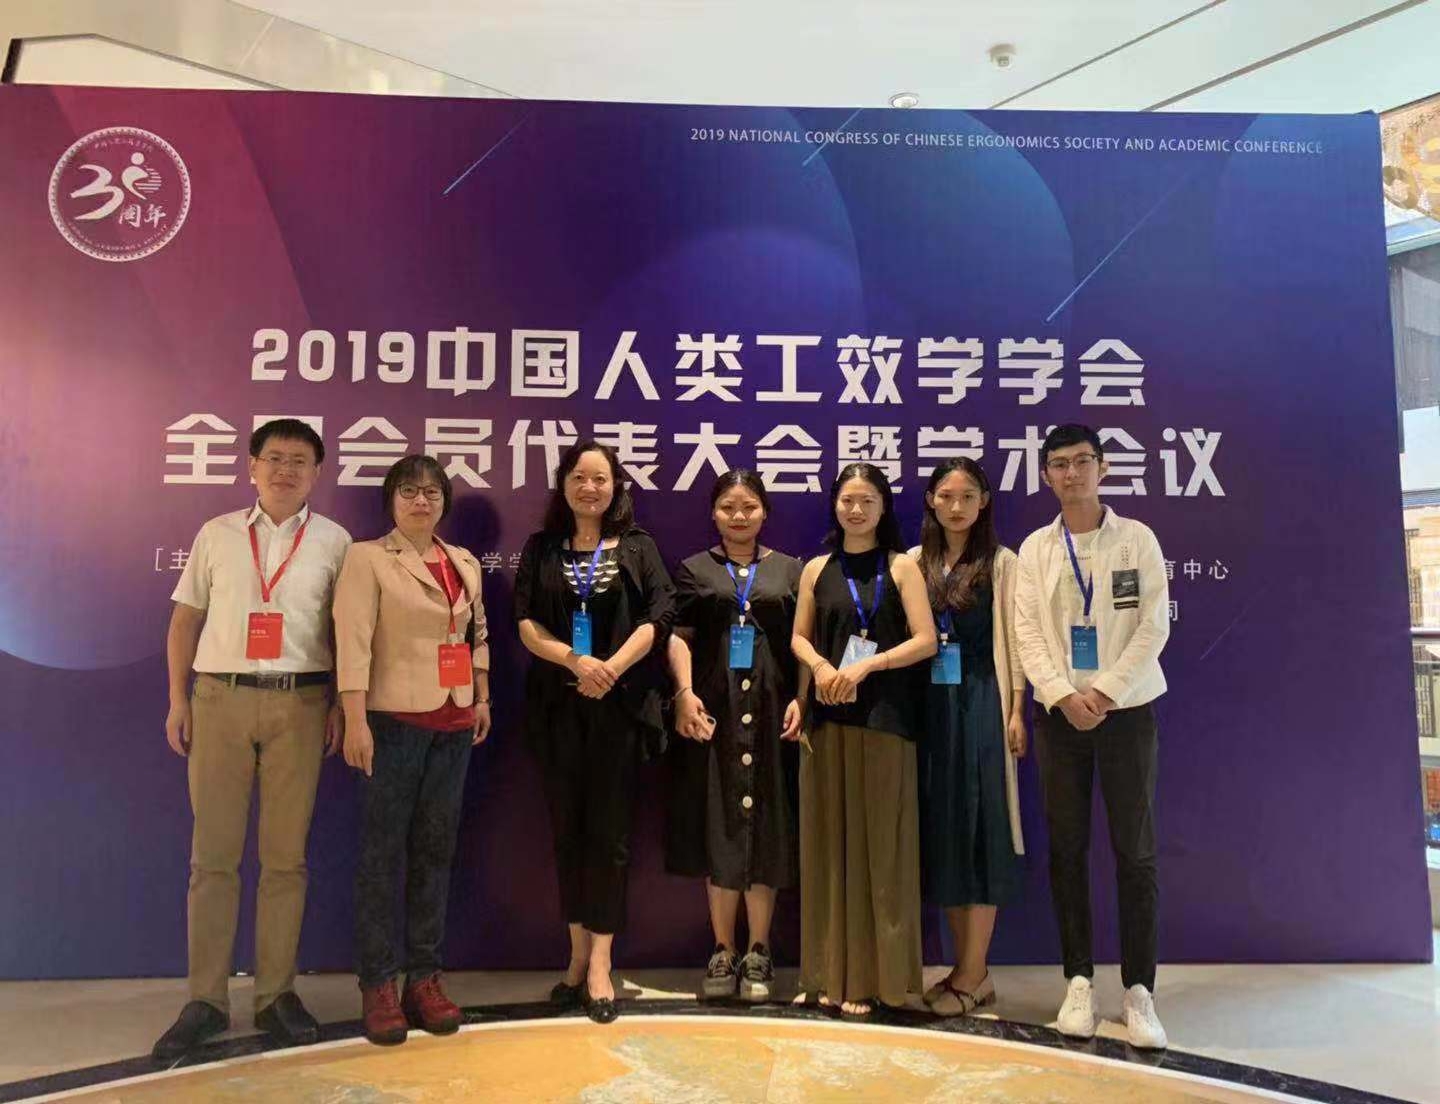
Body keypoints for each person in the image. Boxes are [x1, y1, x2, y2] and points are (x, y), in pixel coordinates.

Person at [154, 419, 351, 1059]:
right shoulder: (216, 534)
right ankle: (205, 1000)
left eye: (299, 461)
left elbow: (347, 632)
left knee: (285, 860)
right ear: (252, 467)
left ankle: (275, 995)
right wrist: (178, 699)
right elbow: (185, 620)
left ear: (317, 473)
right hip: (220, 700)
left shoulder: (336, 542)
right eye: (274, 458)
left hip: (301, 704)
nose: (285, 470)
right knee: (211, 859)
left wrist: (340, 705)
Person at [1014, 424, 1171, 1050]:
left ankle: (1139, 990)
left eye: (1082, 461)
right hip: (1059, 718)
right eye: (1059, 463)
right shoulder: (1035, 549)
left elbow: (1153, 627)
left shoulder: (1137, 539)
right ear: (1046, 475)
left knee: (1136, 852)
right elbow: (1027, 633)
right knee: (1067, 850)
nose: (1072, 473)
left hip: (1127, 713)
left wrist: (1103, 693)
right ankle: (1078, 979)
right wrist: (1062, 696)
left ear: (1103, 468)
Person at [514, 441, 674, 1025]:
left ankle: (603, 962)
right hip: (558, 707)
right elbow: (525, 620)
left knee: (609, 836)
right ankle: (577, 957)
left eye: (600, 478)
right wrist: (574, 661)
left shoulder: (637, 546)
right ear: (564, 485)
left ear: (616, 487)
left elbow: (660, 616)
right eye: (579, 477)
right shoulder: (542, 548)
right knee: (567, 833)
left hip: (618, 709)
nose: (590, 488)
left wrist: (610, 668)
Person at [333, 455, 492, 1046]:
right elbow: (352, 642)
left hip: (454, 722)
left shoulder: (463, 561)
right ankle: (378, 983)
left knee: (434, 852)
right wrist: (355, 720)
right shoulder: (368, 558)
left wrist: (482, 696)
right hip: (392, 722)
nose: (421, 501)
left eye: (431, 492)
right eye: (409, 491)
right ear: (391, 500)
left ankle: (424, 978)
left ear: (444, 501)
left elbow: (476, 633)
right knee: (381, 857)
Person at [790, 463, 937, 1017]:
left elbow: (925, 640)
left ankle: (882, 981)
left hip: (886, 722)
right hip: (827, 721)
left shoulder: (902, 566)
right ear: (835, 505)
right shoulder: (816, 568)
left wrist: (868, 665)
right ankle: (828, 974)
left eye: (867, 501)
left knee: (885, 852)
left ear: (883, 508)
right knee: (828, 850)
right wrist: (821, 669)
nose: (856, 510)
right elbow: (798, 638)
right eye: (847, 500)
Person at [666, 470, 804, 1002]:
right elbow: (679, 637)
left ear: (765, 511)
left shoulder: (790, 570)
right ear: (713, 513)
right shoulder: (694, 569)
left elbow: (804, 642)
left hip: (772, 714)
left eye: (749, 506)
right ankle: (723, 948)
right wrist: (683, 693)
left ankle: (759, 949)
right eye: (728, 507)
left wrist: (803, 699)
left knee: (767, 827)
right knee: (722, 826)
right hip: (715, 712)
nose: (739, 516)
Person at [910, 458, 1028, 1018]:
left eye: (968, 496)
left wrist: (1017, 710)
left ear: (984, 502)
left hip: (982, 704)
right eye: (946, 495)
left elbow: (1018, 642)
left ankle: (975, 971)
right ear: (930, 500)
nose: (956, 506)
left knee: (981, 831)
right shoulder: (915, 562)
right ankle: (964, 970)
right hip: (930, 710)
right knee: (946, 835)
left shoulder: (1003, 563)